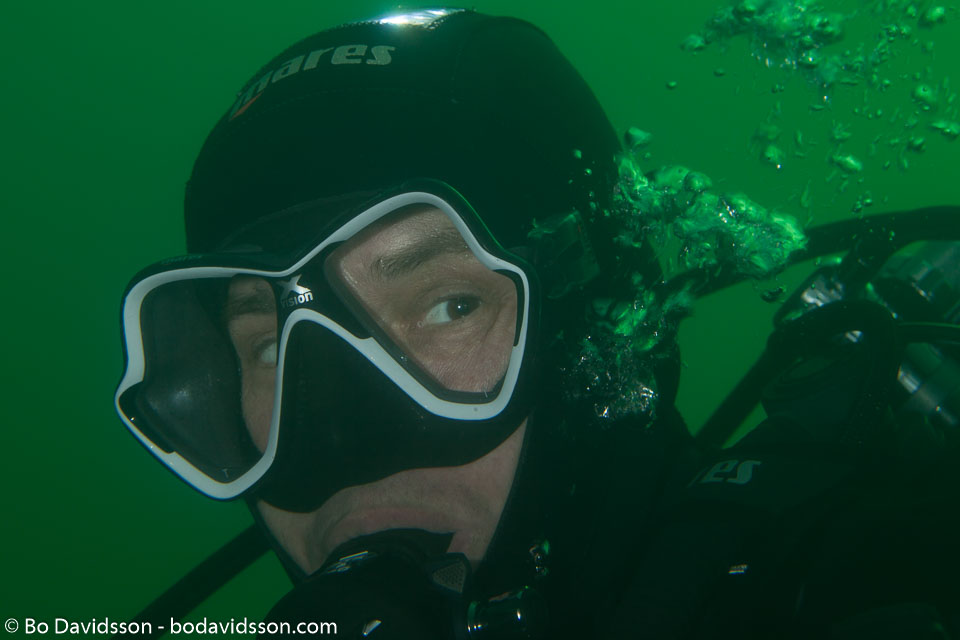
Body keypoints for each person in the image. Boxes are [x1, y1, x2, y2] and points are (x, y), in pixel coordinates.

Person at [115, 8, 960, 639]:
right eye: (269, 346)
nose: (333, 438)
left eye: (450, 305)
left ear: (597, 328)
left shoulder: (861, 577)